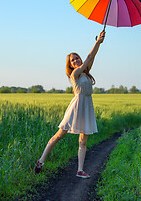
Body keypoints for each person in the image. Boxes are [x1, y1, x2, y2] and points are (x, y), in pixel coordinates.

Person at [34, 30, 105, 178]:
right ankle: (41, 161)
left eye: (77, 58)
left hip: (87, 107)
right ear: (71, 65)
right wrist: (97, 41)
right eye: (73, 60)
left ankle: (80, 170)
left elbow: (92, 57)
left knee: (83, 141)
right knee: (59, 135)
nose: (76, 61)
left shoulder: (85, 72)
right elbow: (89, 57)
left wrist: (99, 44)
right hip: (76, 107)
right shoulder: (75, 74)